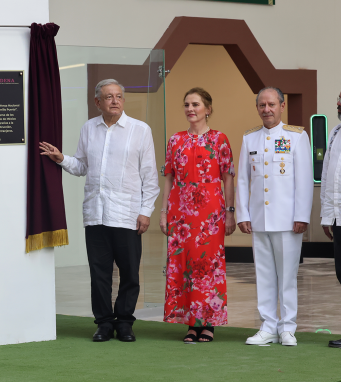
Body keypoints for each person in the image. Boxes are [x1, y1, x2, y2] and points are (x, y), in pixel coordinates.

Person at [40, 79, 160, 342]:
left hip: (127, 214)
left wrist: (145, 211)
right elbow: (83, 166)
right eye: (108, 97)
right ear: (97, 102)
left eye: (118, 96)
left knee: (129, 272)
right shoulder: (88, 129)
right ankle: (104, 323)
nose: (115, 101)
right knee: (100, 273)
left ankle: (125, 322)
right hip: (96, 213)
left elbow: (150, 176)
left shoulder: (140, 130)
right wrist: (61, 159)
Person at [236, 87, 313, 346]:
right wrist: (243, 214)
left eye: (271, 104)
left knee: (287, 276)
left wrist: (302, 215)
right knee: (264, 275)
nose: (266, 109)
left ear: (282, 106)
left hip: (287, 220)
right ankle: (268, 326)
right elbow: (243, 180)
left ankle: (287, 327)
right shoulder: (250, 138)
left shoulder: (297, 136)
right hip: (259, 219)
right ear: (257, 108)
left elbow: (303, 180)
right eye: (261, 105)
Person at [160, 88, 236, 342]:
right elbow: (169, 178)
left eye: (196, 104)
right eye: (187, 104)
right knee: (184, 267)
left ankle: (208, 323)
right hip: (181, 214)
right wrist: (164, 212)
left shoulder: (220, 139)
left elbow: (228, 178)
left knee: (208, 267)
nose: (190, 109)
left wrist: (230, 212)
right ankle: (191, 323)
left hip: (211, 214)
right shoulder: (175, 140)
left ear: (208, 109)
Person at [319, 91, 341, 349]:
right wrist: (327, 216)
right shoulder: (335, 133)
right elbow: (327, 177)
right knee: (340, 272)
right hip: (337, 217)